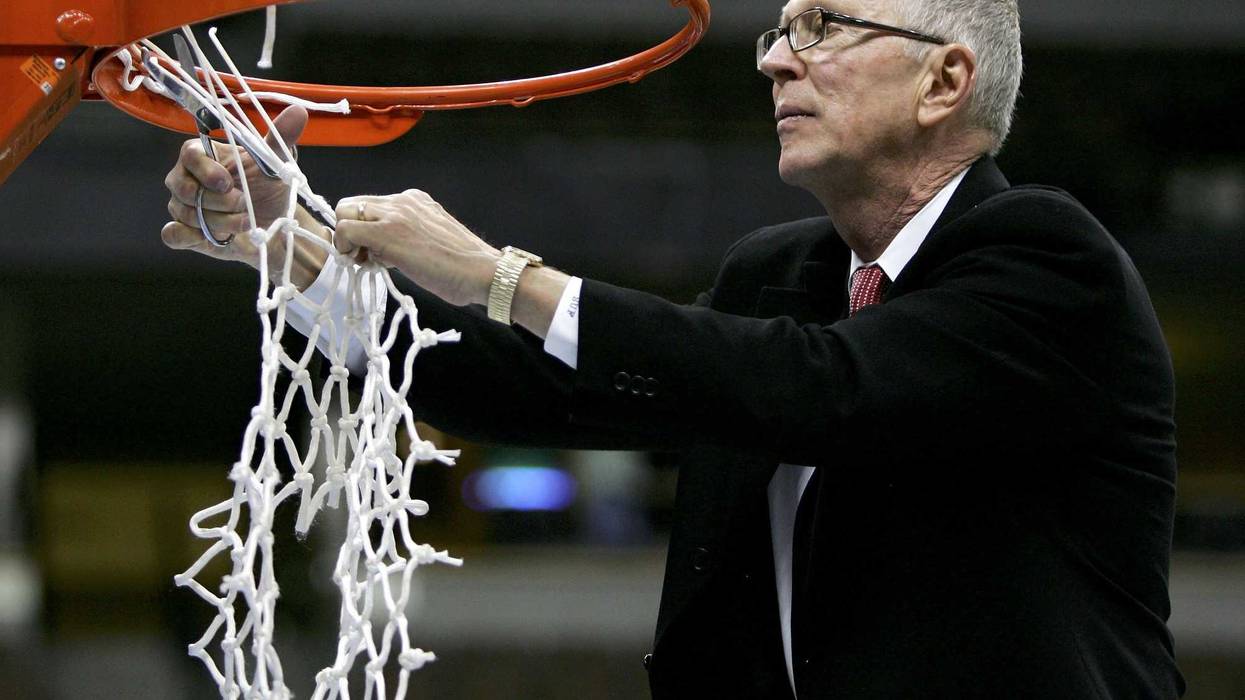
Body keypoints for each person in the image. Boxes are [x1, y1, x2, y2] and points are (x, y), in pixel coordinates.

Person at [161, 1, 1186, 697]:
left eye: (823, 25)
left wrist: (493, 272)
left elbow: (820, 387)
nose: (777, 56)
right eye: (780, 32)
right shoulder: (775, 273)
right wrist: (289, 254)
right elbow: (552, 390)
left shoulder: (1050, 262)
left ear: (943, 81)